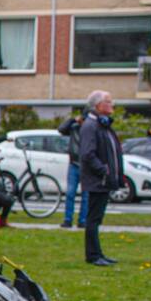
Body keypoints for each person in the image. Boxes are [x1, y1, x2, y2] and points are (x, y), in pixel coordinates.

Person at [80, 90, 124, 266]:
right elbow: (87, 154)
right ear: (98, 105)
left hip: (103, 180)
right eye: (108, 101)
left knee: (96, 219)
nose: (112, 105)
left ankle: (97, 253)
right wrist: (103, 170)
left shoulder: (102, 125)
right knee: (93, 219)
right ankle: (93, 255)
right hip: (97, 180)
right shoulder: (91, 126)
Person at [57, 111, 89, 229]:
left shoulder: (90, 130)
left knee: (86, 195)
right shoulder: (74, 128)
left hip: (86, 166)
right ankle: (68, 219)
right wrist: (73, 120)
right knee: (70, 193)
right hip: (74, 164)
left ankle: (83, 220)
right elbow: (61, 129)